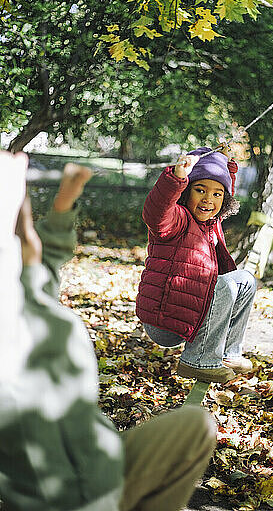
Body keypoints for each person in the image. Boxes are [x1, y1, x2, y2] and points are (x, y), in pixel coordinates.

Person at [0, 152, 216, 511]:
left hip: (108, 461)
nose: (32, 235)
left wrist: (65, 198)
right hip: (69, 497)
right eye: (21, 231)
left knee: (195, 427)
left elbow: (46, 256)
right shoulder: (8, 319)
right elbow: (159, 212)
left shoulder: (31, 291)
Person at [136, 146, 257, 384]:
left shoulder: (211, 224)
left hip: (190, 314)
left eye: (216, 195)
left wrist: (226, 163)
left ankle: (229, 354)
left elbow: (222, 190)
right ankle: (198, 360)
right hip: (164, 320)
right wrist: (176, 177)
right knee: (225, 286)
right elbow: (156, 211)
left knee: (245, 281)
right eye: (200, 190)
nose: (208, 200)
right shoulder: (177, 219)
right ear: (185, 192)